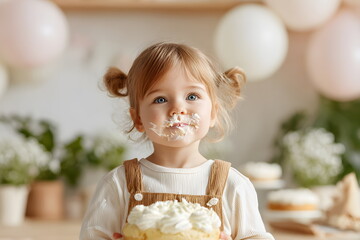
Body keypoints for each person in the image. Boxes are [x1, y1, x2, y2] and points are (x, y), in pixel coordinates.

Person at [80, 42, 274, 240]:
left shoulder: (233, 186)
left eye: (192, 96)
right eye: (161, 99)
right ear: (138, 119)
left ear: (213, 112)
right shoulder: (117, 185)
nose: (177, 108)